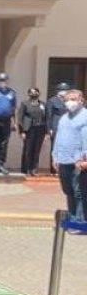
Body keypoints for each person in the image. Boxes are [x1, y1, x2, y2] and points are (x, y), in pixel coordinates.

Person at [53, 89, 87, 218]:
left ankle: (80, 220)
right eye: (66, 100)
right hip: (64, 160)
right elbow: (58, 138)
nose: (69, 102)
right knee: (68, 190)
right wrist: (55, 156)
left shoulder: (85, 116)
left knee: (78, 191)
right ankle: (73, 217)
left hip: (78, 162)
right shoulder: (64, 118)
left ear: (81, 100)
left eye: (73, 99)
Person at [18, 87, 47, 177]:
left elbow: (46, 118)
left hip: (40, 129)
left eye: (36, 92)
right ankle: (26, 169)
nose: (34, 93)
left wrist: (46, 133)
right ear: (29, 94)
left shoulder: (43, 104)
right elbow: (20, 118)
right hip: (29, 129)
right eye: (31, 92)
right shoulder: (25, 103)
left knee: (36, 150)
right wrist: (22, 131)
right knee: (28, 150)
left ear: (39, 93)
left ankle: (34, 169)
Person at [47, 82, 70, 176]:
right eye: (63, 90)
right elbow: (49, 115)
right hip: (56, 127)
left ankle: (64, 169)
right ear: (59, 91)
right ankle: (54, 170)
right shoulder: (52, 101)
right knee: (55, 148)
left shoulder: (69, 101)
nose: (64, 92)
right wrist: (49, 129)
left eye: (66, 90)